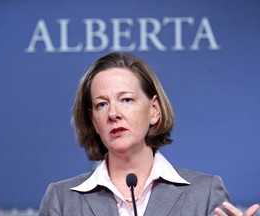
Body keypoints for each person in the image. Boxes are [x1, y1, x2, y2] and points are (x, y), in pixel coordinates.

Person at [39, 53, 259, 216]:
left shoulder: (205, 193)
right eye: (101, 104)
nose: (113, 113)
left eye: (126, 100)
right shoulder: (62, 199)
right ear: (93, 121)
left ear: (154, 110)